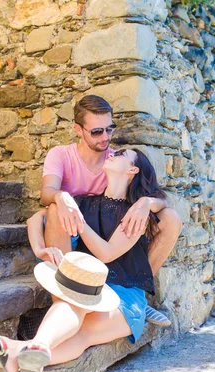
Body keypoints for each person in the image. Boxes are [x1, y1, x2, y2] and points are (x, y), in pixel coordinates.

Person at [0, 147, 181, 372]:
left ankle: (13, 349)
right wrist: (40, 248)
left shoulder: (135, 214)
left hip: (124, 298)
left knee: (83, 332)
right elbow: (36, 219)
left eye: (121, 153)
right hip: (85, 288)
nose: (112, 152)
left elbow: (107, 253)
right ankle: (21, 356)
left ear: (132, 170)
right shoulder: (83, 203)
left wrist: (81, 222)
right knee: (77, 307)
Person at [38, 95, 181, 326]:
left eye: (109, 129)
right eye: (96, 131)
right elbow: (46, 194)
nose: (105, 137)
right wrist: (61, 196)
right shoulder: (61, 155)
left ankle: (135, 295)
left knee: (171, 218)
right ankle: (63, 302)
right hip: (68, 231)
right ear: (78, 129)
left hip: (105, 235)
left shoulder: (116, 160)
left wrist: (145, 203)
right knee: (54, 209)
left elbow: (158, 195)